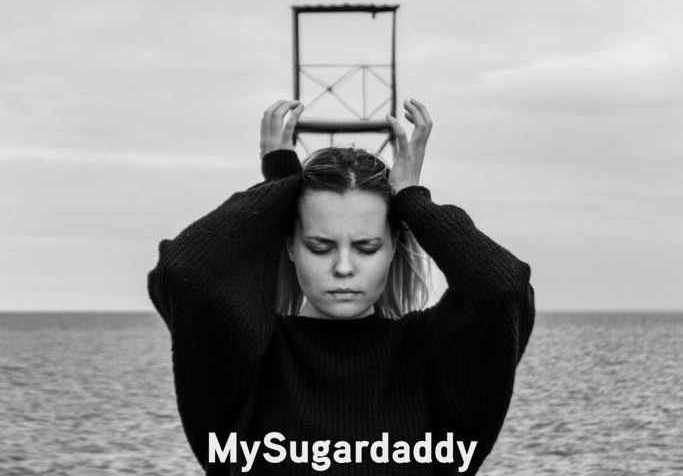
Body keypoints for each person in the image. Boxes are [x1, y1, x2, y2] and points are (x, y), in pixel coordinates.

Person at [148, 98, 534, 475]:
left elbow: (502, 288)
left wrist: (412, 201)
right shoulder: (250, 359)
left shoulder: (431, 359)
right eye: (321, 246)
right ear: (291, 246)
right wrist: (280, 188)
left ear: (393, 246)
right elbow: (187, 273)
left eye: (366, 247)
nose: (344, 268)